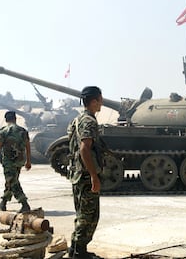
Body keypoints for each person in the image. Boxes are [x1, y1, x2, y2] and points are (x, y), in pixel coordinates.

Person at [67, 86, 103, 259]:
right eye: (100, 99)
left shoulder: (77, 120)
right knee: (89, 217)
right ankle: (79, 253)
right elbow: (84, 149)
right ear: (94, 101)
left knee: (82, 215)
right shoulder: (89, 121)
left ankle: (75, 249)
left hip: (77, 175)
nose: (101, 102)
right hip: (86, 176)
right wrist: (94, 176)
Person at [0, 111, 31, 213]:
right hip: (20, 161)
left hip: (9, 162)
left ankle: (24, 204)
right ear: (15, 119)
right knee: (11, 180)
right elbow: (28, 147)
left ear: (6, 119)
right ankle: (3, 202)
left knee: (13, 182)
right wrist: (28, 161)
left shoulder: (4, 131)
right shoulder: (23, 131)